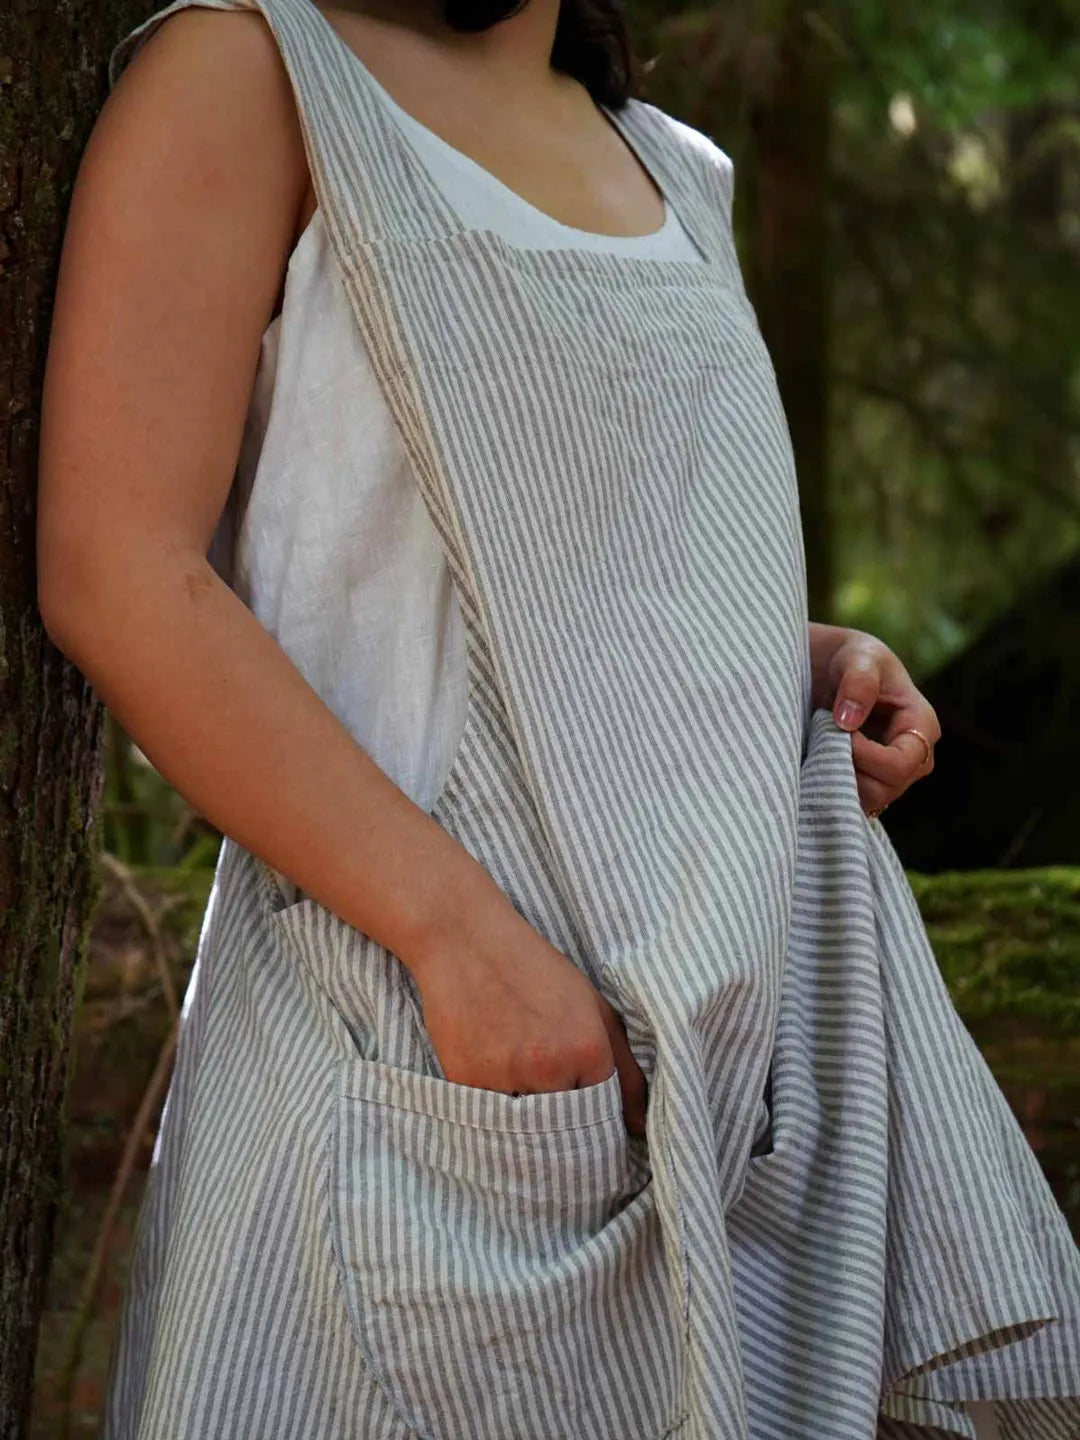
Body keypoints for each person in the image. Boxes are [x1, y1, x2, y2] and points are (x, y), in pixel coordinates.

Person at [37, 0, 1080, 1436]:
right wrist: (457, 943)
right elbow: (119, 574)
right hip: (410, 1054)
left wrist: (793, 659)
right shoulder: (251, 70)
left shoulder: (672, 168)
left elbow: (549, 580)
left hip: (725, 1096)